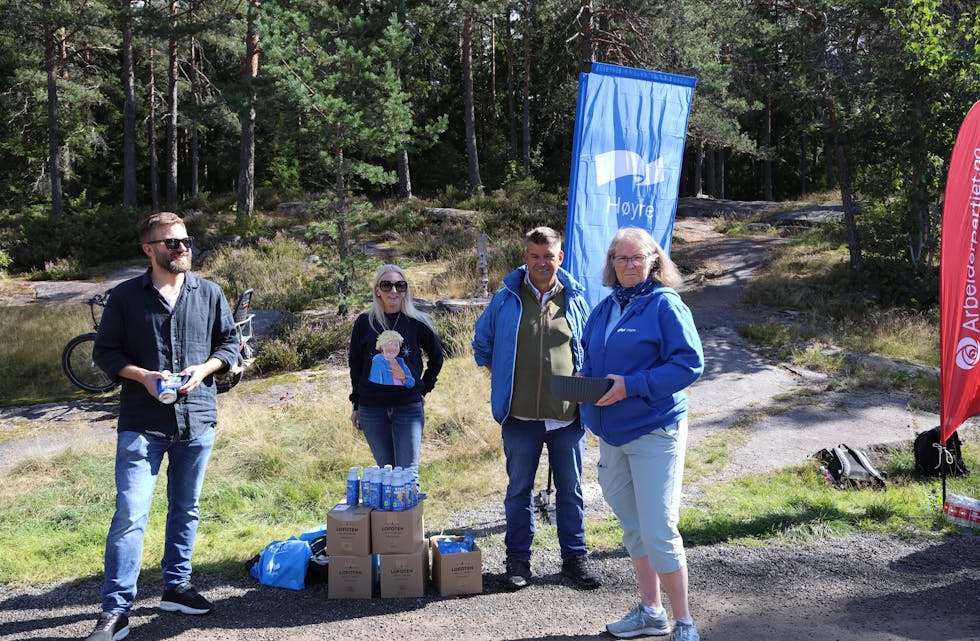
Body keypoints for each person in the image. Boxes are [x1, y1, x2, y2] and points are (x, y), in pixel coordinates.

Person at [85, 212, 239, 641]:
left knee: (185, 509)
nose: (183, 248)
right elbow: (106, 353)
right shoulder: (125, 297)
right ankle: (115, 611)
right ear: (149, 249)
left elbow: (229, 343)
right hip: (141, 423)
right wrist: (144, 377)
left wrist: (205, 368)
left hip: (197, 420)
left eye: (186, 241)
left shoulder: (209, 293)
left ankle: (177, 587)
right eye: (172, 242)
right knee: (131, 515)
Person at [579, 227, 704, 641]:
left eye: (637, 258)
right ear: (611, 264)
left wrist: (631, 385)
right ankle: (652, 612)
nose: (629, 265)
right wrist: (584, 382)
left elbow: (689, 364)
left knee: (659, 529)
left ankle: (684, 621)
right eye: (621, 258)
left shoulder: (665, 305)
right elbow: (591, 358)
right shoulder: (604, 308)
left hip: (654, 430)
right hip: (611, 434)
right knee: (633, 527)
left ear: (654, 261)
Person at [472, 226, 601, 591]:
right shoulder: (506, 299)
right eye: (535, 256)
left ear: (560, 258)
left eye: (549, 256)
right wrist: (504, 379)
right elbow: (481, 344)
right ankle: (518, 562)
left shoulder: (575, 298)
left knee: (571, 490)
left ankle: (574, 560)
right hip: (520, 418)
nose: (542, 263)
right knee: (519, 491)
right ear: (525, 258)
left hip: (567, 417)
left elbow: (590, 351)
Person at [349, 264, 444, 478]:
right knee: (386, 472)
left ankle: (412, 513)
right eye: (387, 285)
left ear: (405, 290)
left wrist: (422, 389)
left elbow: (437, 358)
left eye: (400, 286)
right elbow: (355, 365)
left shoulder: (417, 322)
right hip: (372, 409)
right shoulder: (365, 322)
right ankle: (391, 513)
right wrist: (356, 404)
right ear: (377, 290)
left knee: (408, 473)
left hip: (408, 407)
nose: (394, 291)